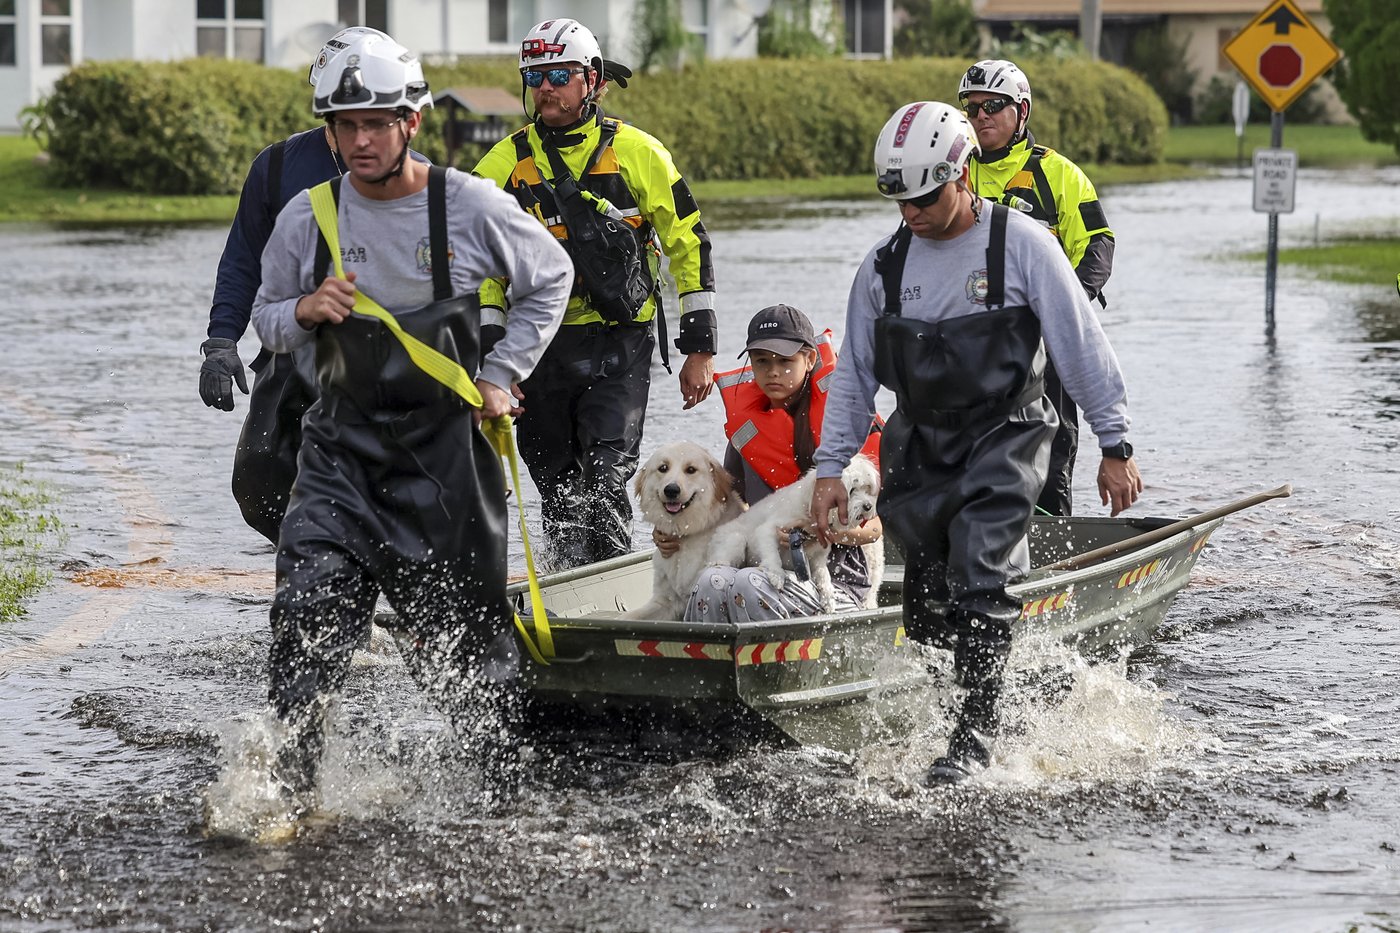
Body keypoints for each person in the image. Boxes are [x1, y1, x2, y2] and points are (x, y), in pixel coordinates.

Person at [249, 31, 573, 799]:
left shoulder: (466, 206)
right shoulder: (307, 216)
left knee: (471, 665)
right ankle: (292, 794)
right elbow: (264, 316)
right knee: (305, 620)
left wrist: (501, 374)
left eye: (376, 123)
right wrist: (302, 307)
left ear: (412, 123)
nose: (359, 141)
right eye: (344, 126)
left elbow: (551, 276)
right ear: (327, 130)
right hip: (337, 460)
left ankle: (506, 800)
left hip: (446, 466)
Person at [811, 101, 1143, 786]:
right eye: (897, 198)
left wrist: (1116, 443)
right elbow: (854, 379)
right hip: (922, 442)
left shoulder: (1021, 244)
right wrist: (828, 467)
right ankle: (986, 701)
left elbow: (1080, 346)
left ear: (961, 174)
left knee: (981, 569)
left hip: (1009, 433)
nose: (912, 212)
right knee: (930, 604)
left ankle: (974, 742)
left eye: (925, 196)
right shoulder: (882, 268)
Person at [472, 18, 718, 570]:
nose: (545, 88)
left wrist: (699, 348)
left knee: (606, 480)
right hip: (537, 347)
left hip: (619, 343)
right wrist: (493, 349)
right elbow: (473, 256)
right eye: (535, 77)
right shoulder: (502, 165)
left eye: (559, 74)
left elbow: (688, 242)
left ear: (594, 80)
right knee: (559, 491)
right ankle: (569, 592)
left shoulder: (639, 152)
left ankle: (610, 592)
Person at [197, 25, 430, 544]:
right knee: (259, 474)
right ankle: (317, 555)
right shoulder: (277, 165)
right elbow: (242, 260)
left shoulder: (420, 181)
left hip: (385, 359)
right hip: (292, 349)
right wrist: (220, 341)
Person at [958, 59, 1116, 517]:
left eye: (993, 105)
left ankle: (1053, 548)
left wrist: (1062, 308)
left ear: (1021, 111)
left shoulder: (1060, 174)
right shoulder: (952, 172)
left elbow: (1098, 245)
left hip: (1044, 337)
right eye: (972, 107)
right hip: (973, 340)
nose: (981, 115)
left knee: (1053, 443)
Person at [661, 305, 883, 623]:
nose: (773, 372)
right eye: (762, 361)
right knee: (712, 580)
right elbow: (725, 511)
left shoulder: (847, 427)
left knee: (749, 584)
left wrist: (816, 532)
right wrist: (673, 532)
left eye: (785, 361)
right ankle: (705, 663)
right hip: (763, 570)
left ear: (809, 360)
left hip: (835, 584)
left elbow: (875, 528)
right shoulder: (746, 434)